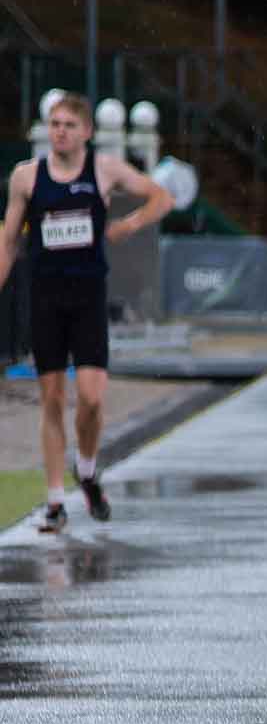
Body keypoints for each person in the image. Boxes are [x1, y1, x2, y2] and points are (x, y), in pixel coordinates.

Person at [0, 92, 174, 531]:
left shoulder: (102, 169)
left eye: (69, 125)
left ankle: (89, 469)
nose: (60, 131)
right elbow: (8, 240)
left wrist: (128, 224)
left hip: (88, 299)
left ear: (87, 132)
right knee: (53, 399)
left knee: (94, 400)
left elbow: (161, 198)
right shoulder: (26, 177)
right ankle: (55, 502)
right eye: (55, 124)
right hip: (45, 300)